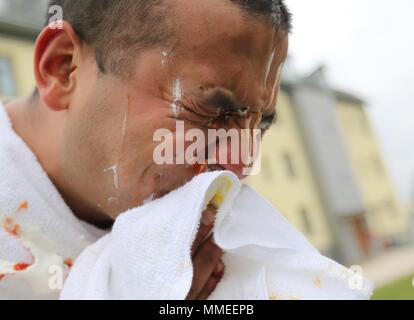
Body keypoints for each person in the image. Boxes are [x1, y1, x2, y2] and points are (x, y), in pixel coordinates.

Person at [0, 0, 291, 299]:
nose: (241, 166)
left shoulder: (224, 256)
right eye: (212, 111)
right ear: (63, 68)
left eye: (260, 126)